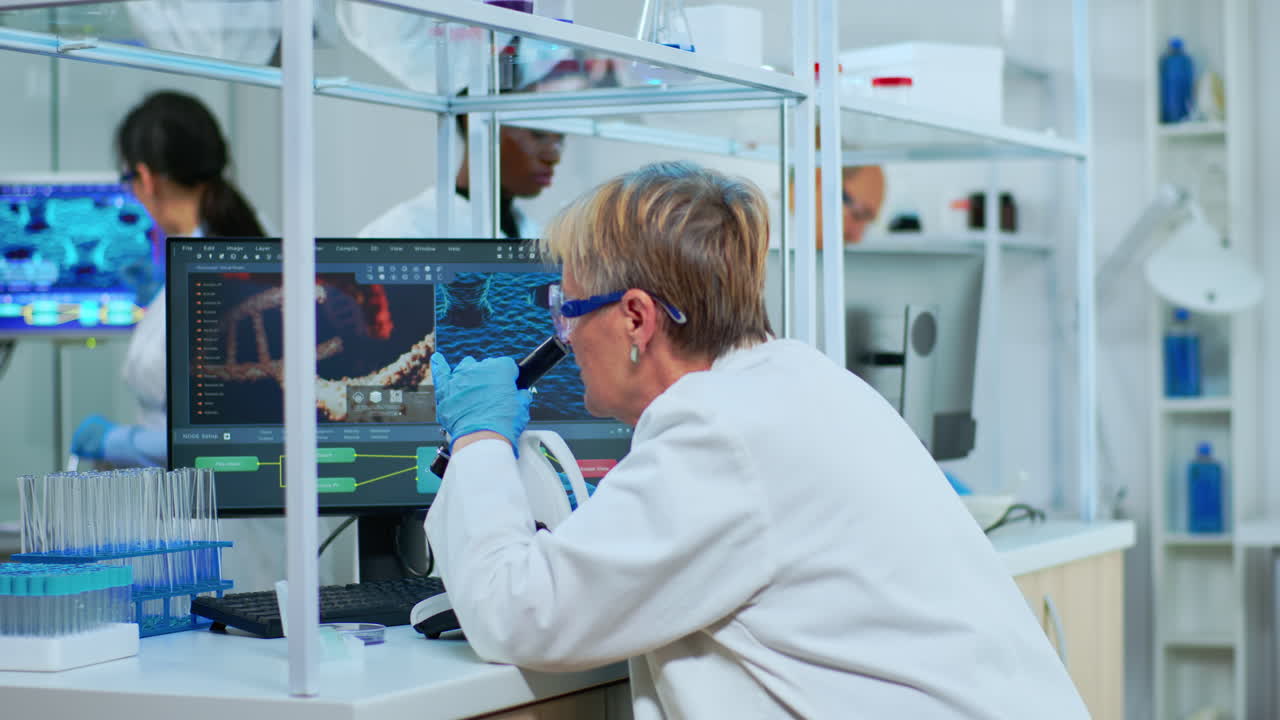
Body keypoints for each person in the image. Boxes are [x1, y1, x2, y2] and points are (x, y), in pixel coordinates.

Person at [424, 161, 1088, 718]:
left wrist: (480, 436)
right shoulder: (794, 381)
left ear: (635, 319)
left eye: (565, 311)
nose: (563, 338)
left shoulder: (718, 436)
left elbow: (517, 614)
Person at [71, 90, 265, 468]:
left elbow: (229, 434)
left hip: (215, 496)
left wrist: (122, 442)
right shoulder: (242, 239)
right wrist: (160, 297)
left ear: (145, 178)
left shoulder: (213, 269)